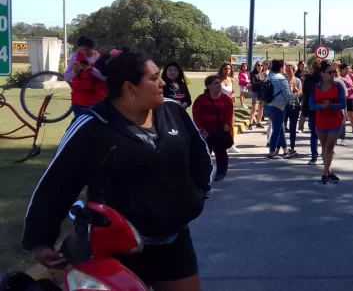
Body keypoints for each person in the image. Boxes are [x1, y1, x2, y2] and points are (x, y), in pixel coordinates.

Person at [23, 51, 213, 291]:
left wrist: (196, 197)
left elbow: (200, 156)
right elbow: (57, 183)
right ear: (129, 88)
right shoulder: (92, 126)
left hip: (174, 241)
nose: (162, 83)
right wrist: (40, 242)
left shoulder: (173, 112)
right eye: (154, 78)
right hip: (116, 249)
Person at [309, 61, 347, 184]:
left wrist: (331, 105)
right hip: (321, 120)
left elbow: (343, 104)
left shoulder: (338, 86)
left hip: (335, 120)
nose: (332, 74)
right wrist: (321, 106)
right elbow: (311, 105)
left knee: (329, 146)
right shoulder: (316, 87)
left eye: (334, 72)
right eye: (329, 72)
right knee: (324, 146)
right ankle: (328, 171)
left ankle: (325, 173)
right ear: (322, 74)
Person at [192, 76, 234, 181]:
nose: (219, 85)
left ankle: (221, 172)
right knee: (205, 154)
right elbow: (196, 114)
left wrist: (227, 124)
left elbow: (229, 113)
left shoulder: (226, 99)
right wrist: (200, 127)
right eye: (216, 83)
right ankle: (205, 173)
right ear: (208, 86)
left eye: (220, 83)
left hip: (220, 131)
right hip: (206, 132)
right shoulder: (200, 99)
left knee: (221, 152)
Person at [64, 35, 107, 117]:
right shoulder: (75, 56)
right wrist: (75, 72)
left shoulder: (102, 58)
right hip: (78, 101)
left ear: (93, 47)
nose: (84, 53)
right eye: (81, 50)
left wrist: (92, 70)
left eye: (87, 50)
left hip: (98, 100)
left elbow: (106, 78)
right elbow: (66, 77)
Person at [264, 60, 298, 160]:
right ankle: (272, 152)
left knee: (281, 127)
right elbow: (288, 96)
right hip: (278, 107)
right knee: (277, 130)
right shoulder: (282, 79)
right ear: (280, 68)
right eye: (284, 67)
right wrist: (298, 94)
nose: (285, 69)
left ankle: (285, 149)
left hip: (267, 106)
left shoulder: (269, 77)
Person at [301, 61, 322, 165]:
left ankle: (314, 157)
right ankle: (326, 155)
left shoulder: (308, 79)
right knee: (325, 134)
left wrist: (304, 111)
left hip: (312, 109)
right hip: (324, 109)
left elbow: (305, 95)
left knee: (314, 134)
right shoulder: (324, 79)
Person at [283, 63, 303, 158]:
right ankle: (283, 147)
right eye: (286, 70)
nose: (287, 72)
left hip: (295, 106)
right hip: (284, 106)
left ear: (294, 71)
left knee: (293, 128)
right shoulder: (283, 80)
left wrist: (294, 89)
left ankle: (292, 147)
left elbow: (301, 93)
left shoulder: (298, 80)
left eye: (289, 70)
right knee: (282, 127)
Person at [339, 63, 353, 141]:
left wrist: (351, 87)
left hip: (351, 97)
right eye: (346, 69)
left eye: (348, 68)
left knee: (351, 115)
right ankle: (341, 131)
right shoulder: (338, 77)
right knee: (342, 115)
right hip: (342, 98)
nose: (348, 70)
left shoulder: (351, 76)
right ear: (342, 70)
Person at [247, 61, 267, 130]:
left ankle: (259, 122)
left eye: (261, 65)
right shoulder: (253, 74)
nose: (260, 67)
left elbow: (266, 82)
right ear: (256, 66)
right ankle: (250, 123)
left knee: (261, 108)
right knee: (254, 108)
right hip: (255, 92)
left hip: (262, 92)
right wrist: (262, 82)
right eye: (258, 65)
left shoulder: (264, 74)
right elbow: (253, 83)